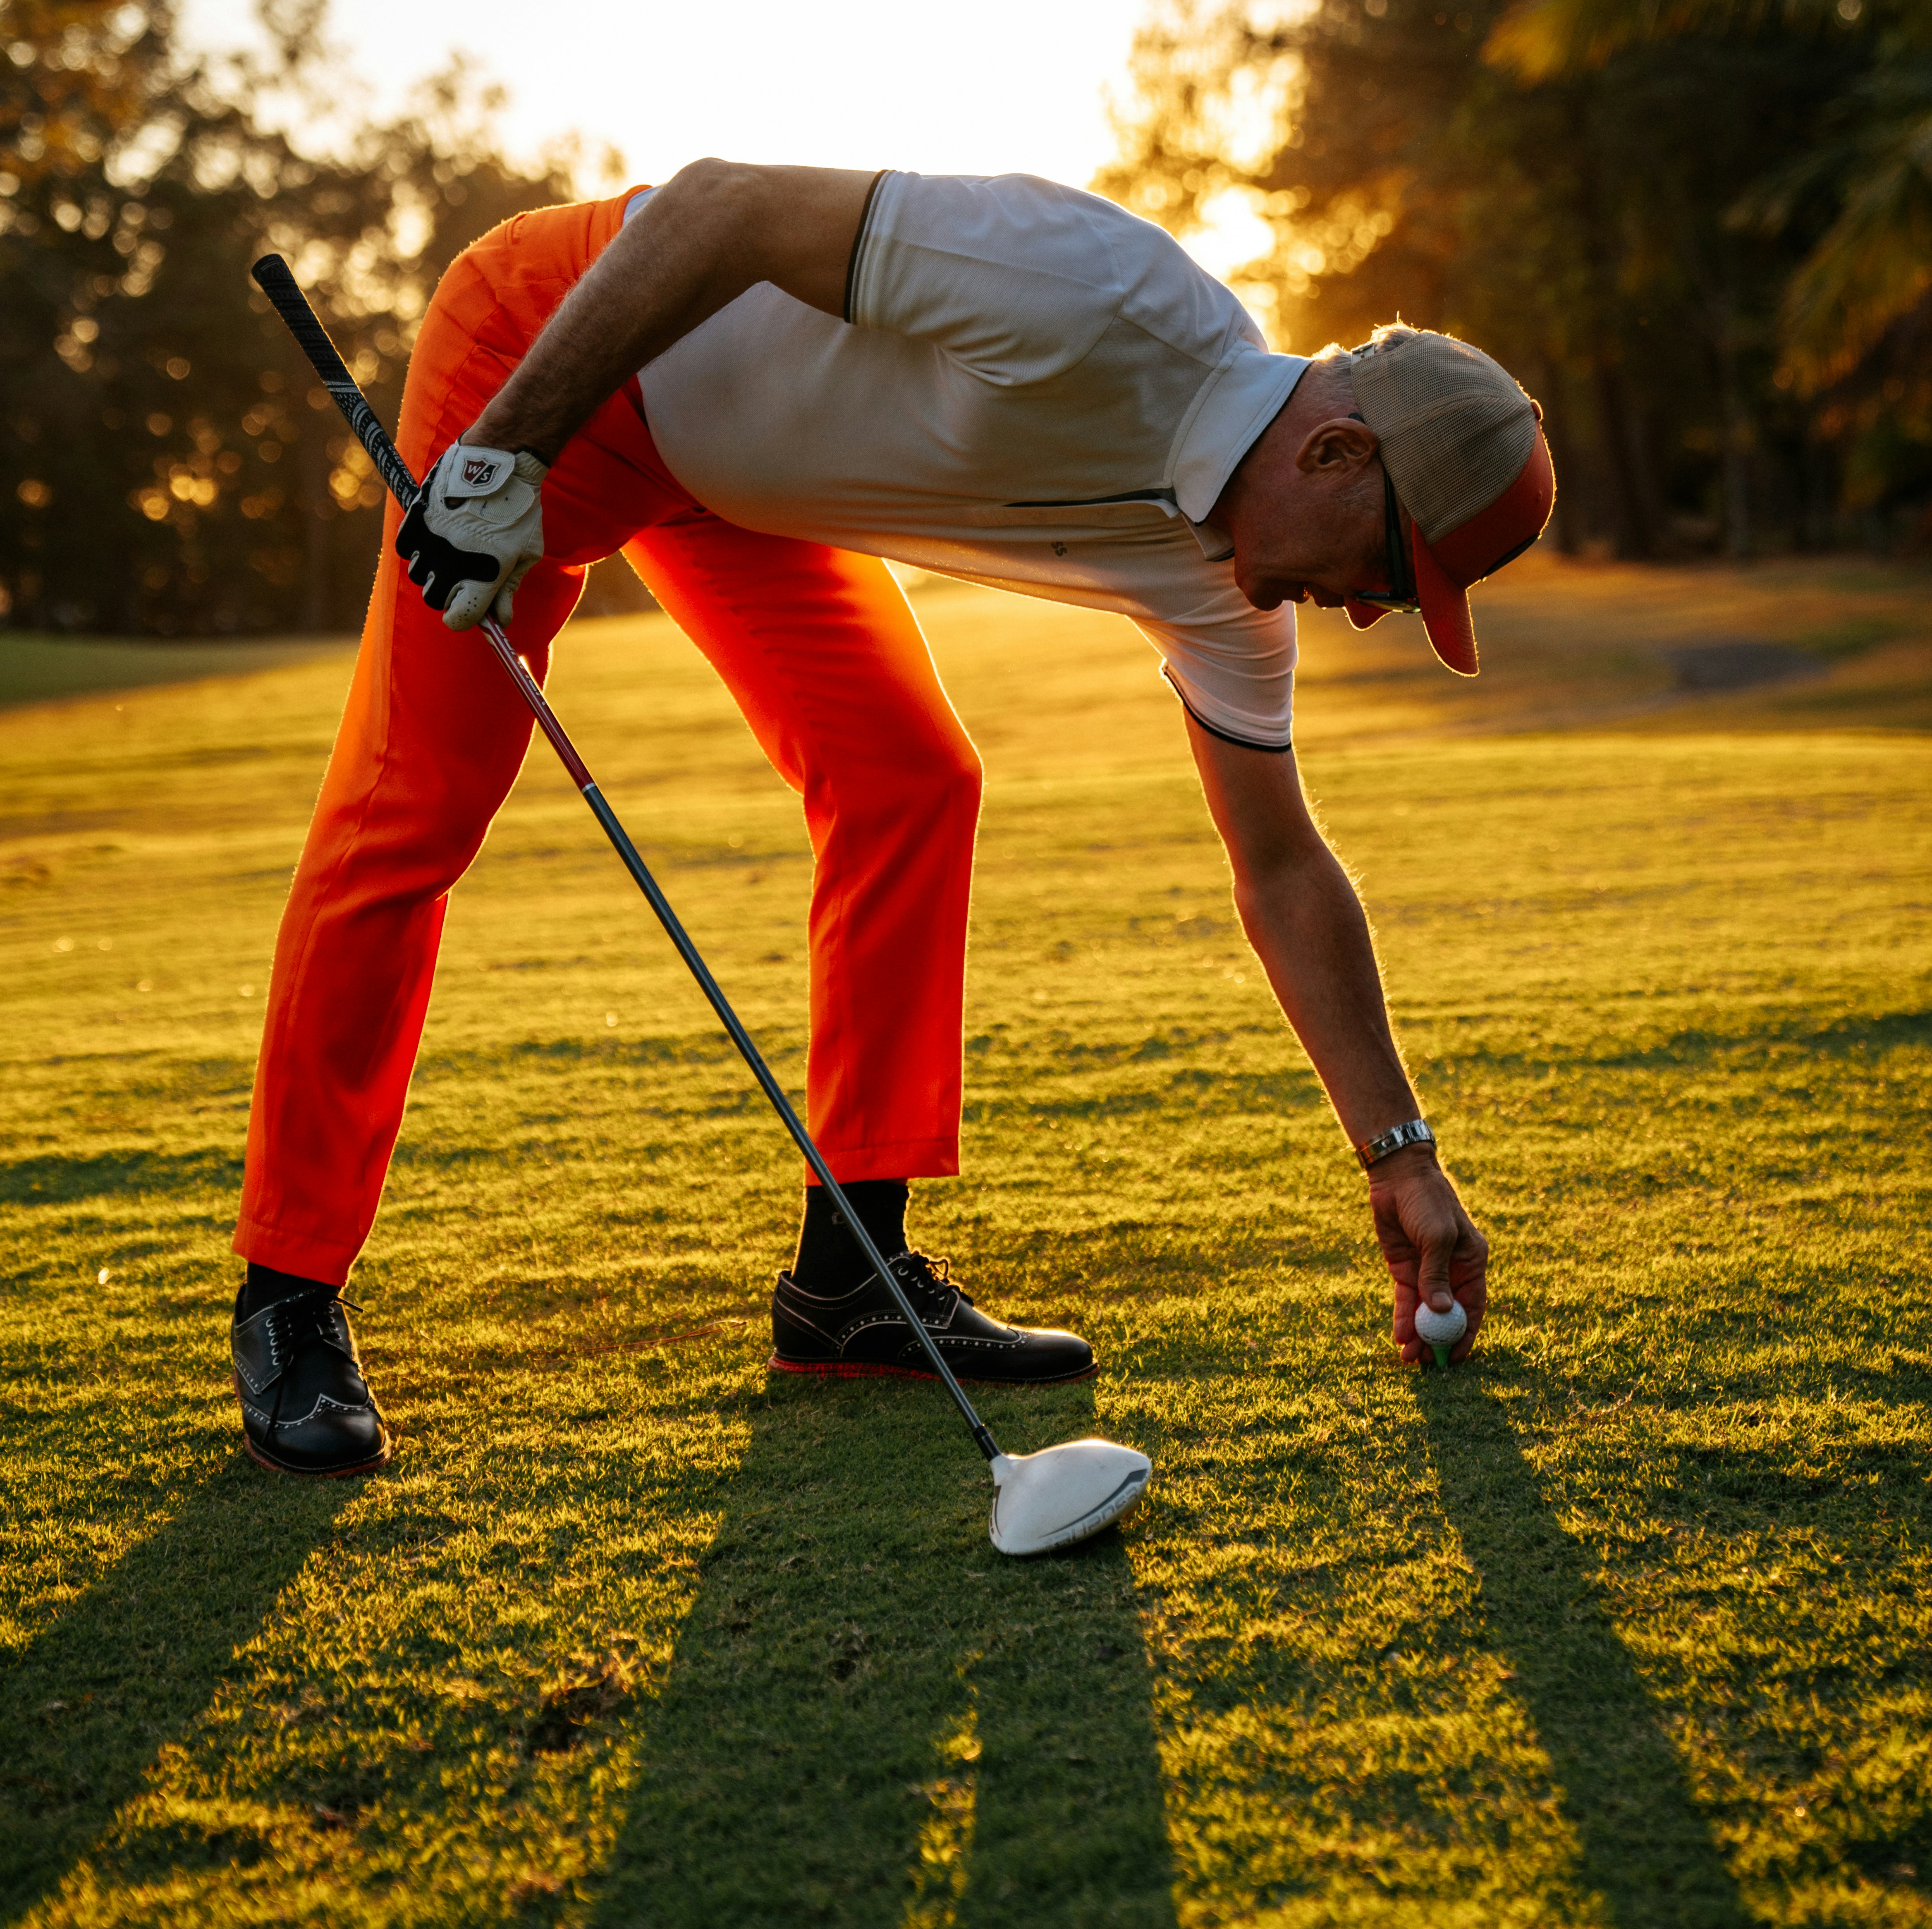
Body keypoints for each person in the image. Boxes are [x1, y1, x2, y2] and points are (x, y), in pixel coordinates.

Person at [228, 162, 1553, 1477]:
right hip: (563, 345)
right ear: (1336, 452)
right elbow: (716, 212)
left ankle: (847, 1279)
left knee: (910, 777)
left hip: (740, 483)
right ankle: (287, 1293)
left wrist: (1402, 1154)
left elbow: (1283, 869)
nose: (1373, 608)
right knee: (417, 803)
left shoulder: (1232, 596)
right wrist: (499, 458)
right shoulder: (1102, 296)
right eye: (1393, 568)